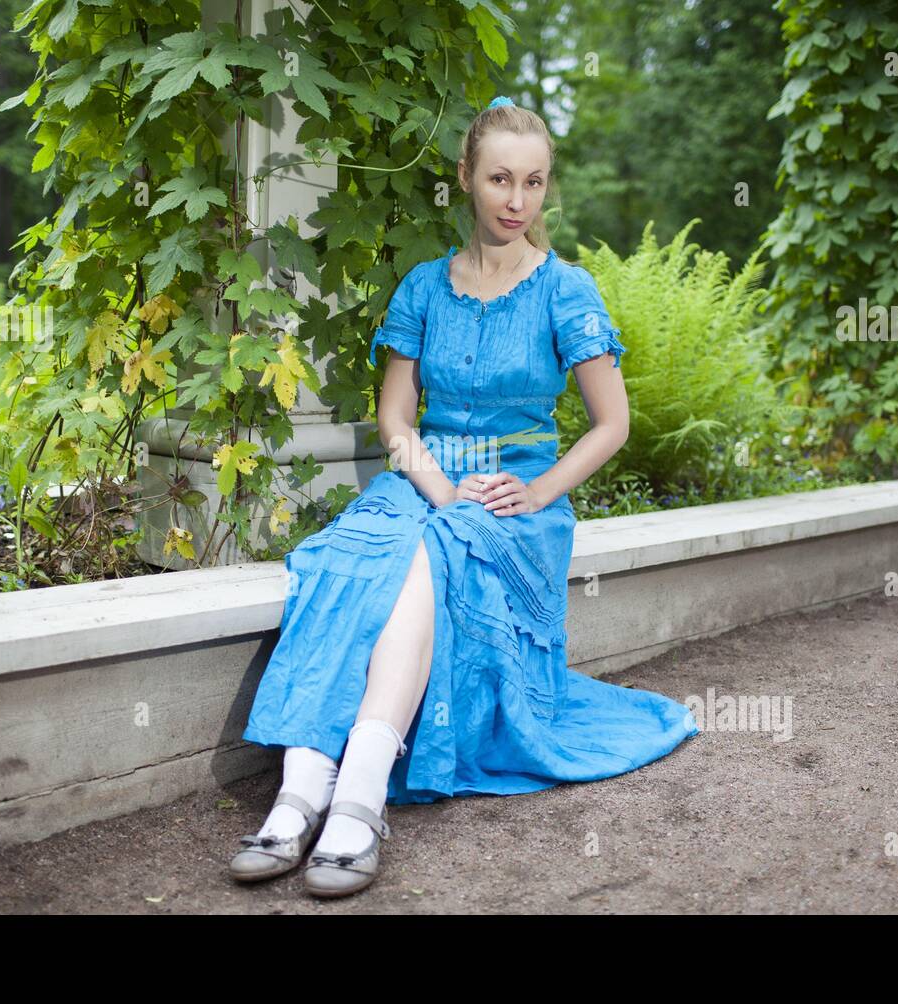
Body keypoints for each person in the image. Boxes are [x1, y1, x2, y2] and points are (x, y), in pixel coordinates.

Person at [230, 96, 698, 899]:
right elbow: (394, 416)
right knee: (355, 559)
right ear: (466, 180)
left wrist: (538, 489)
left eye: (535, 183)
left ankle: (357, 797)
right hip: (427, 479)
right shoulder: (423, 287)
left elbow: (610, 424)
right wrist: (440, 488)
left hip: (517, 503)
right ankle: (301, 792)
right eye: (501, 180)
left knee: (420, 554)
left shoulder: (566, 291)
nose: (518, 202)